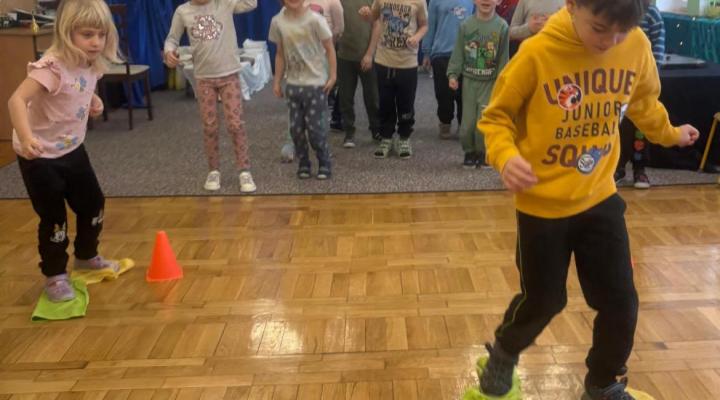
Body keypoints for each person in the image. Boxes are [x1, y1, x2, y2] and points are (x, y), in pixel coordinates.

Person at [470, 0, 699, 398]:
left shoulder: (636, 45)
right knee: (544, 300)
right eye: (600, 28)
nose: (610, 41)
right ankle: (504, 352)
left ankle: (603, 382)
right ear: (572, 5)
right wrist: (505, 157)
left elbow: (642, 102)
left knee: (621, 300)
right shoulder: (537, 54)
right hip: (541, 206)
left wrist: (669, 133)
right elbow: (496, 117)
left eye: (622, 32)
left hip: (600, 196)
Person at [7, 0, 125, 302]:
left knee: (93, 203)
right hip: (38, 155)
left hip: (72, 148)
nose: (96, 42)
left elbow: (81, 87)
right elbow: (16, 100)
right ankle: (55, 275)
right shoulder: (52, 68)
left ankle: (86, 256)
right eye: (87, 35)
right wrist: (26, 137)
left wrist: (94, 100)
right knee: (54, 217)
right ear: (66, 33)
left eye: (101, 35)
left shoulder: (90, 62)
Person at [164, 0, 258, 193]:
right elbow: (172, 39)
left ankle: (244, 170)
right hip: (204, 78)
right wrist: (169, 52)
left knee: (236, 124)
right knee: (209, 126)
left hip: (229, 75)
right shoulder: (183, 11)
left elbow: (251, 4)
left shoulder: (224, 3)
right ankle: (213, 170)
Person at [270, 0, 337, 179]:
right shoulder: (277, 22)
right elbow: (280, 54)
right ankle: (304, 162)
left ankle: (324, 161)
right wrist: (277, 81)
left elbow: (330, 48)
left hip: (315, 84)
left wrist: (333, 76)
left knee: (316, 130)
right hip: (293, 85)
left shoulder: (316, 20)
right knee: (296, 130)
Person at [447, 0, 508, 168]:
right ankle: (469, 151)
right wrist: (453, 74)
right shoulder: (466, 25)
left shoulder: (502, 27)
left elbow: (503, 58)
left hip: (490, 83)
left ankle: (483, 152)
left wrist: (502, 82)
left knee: (484, 120)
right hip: (469, 82)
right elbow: (458, 52)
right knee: (467, 123)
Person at [366, 0, 428, 159]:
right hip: (383, 60)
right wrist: (367, 14)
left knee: (406, 104)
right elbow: (374, 18)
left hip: (407, 63)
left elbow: (424, 26)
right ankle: (386, 138)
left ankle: (404, 137)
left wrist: (416, 37)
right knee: (385, 102)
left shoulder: (419, 2)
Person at [614, 0, 665, 189]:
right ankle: (618, 168)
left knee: (639, 131)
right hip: (618, 84)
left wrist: (649, 78)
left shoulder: (652, 14)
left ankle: (639, 169)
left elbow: (658, 51)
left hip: (640, 84)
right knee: (617, 129)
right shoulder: (615, 9)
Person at [422, 0, 474, 139]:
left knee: (464, 94)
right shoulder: (435, 2)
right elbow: (430, 26)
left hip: (467, 54)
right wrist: (426, 52)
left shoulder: (473, 2)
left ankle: (463, 125)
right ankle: (445, 123)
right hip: (441, 53)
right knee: (443, 93)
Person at [337, 0, 381, 147]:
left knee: (372, 97)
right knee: (345, 97)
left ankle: (376, 130)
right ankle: (349, 132)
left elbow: (377, 25)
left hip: (367, 55)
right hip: (344, 55)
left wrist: (369, 54)